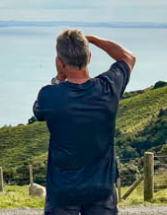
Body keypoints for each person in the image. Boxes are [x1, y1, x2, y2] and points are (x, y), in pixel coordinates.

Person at [33, 30, 136, 215]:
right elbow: (128, 56)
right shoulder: (108, 88)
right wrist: (95, 40)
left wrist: (59, 78)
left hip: (62, 191)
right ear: (89, 56)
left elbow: (39, 112)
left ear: (60, 62)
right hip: (101, 190)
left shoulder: (49, 95)